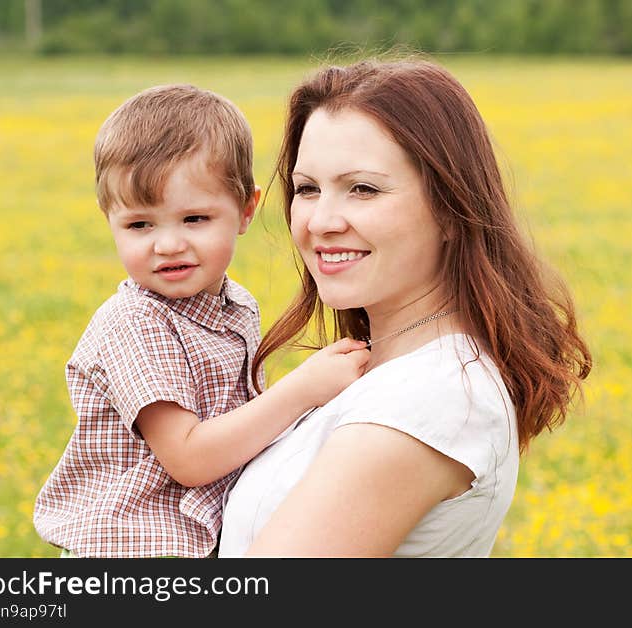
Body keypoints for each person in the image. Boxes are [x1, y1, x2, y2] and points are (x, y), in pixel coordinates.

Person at [218, 58, 592, 558]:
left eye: (363, 189)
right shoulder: (387, 370)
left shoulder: (430, 400)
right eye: (307, 188)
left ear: (451, 209)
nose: (321, 220)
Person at [33, 84, 370, 558]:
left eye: (193, 219)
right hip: (133, 553)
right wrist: (303, 389)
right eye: (139, 225)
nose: (167, 245)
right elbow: (189, 457)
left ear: (246, 211)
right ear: (109, 219)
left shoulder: (237, 306)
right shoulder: (135, 323)